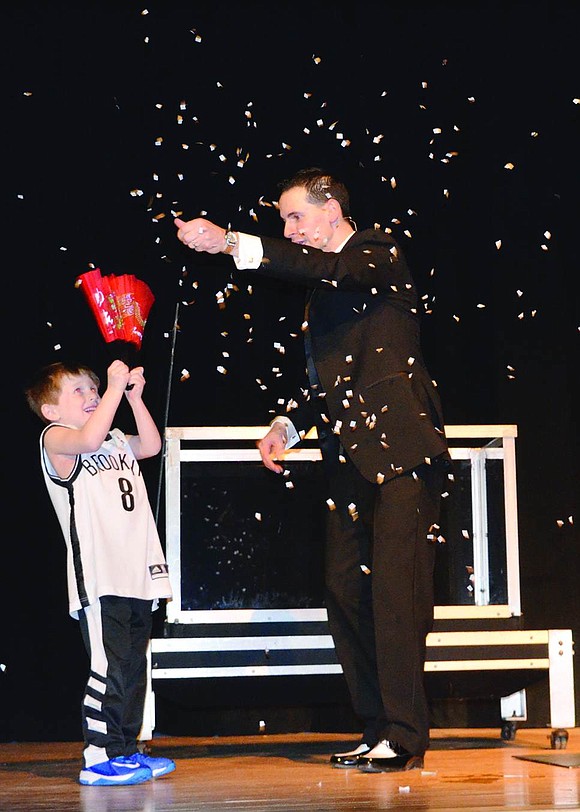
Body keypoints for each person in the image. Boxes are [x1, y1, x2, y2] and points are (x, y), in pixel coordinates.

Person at [174, 167, 451, 773]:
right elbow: (330, 381)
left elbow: (327, 268)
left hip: (403, 454)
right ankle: (377, 726)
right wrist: (288, 424)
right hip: (351, 460)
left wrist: (230, 243)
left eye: (296, 216)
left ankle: (404, 735)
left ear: (333, 210)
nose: (290, 229)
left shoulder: (377, 251)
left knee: (396, 595)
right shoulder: (322, 293)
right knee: (345, 591)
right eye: (283, 222)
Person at [25, 359, 176, 786]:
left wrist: (133, 397)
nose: (92, 395)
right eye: (81, 391)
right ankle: (97, 755)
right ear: (52, 410)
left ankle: (126, 750)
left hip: (136, 573)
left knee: (132, 665)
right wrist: (111, 388)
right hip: (100, 574)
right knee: (107, 665)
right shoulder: (56, 438)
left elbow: (150, 445)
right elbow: (88, 439)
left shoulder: (112, 440)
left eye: (94, 388)